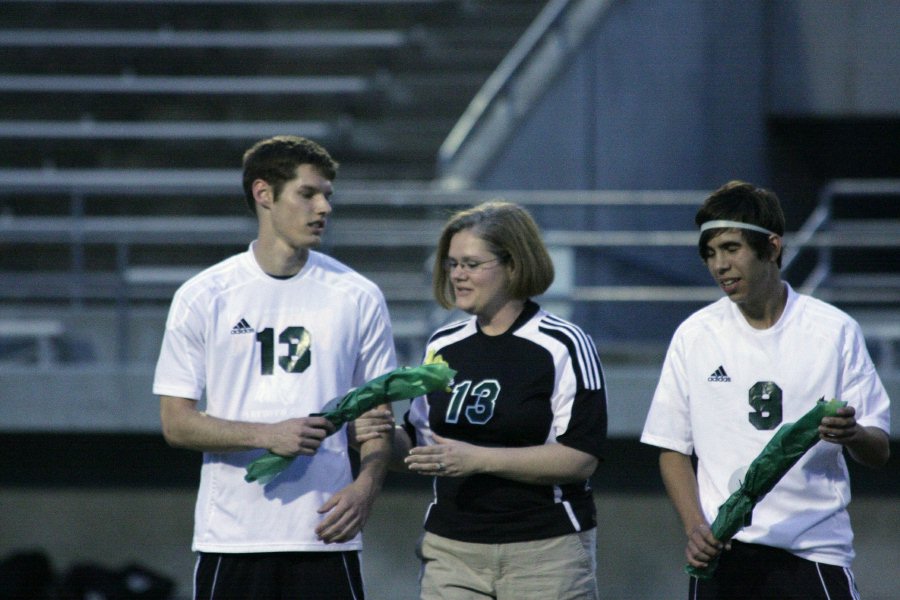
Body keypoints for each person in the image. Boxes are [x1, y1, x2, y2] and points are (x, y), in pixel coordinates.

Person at [153, 135, 397, 599]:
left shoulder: (358, 295)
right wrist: (267, 435)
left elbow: (376, 420)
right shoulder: (204, 295)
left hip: (326, 535)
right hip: (232, 537)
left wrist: (366, 487)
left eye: (328, 195)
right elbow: (176, 424)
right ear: (264, 194)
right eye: (308, 194)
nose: (323, 207)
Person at [641, 180, 891, 599]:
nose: (719, 265)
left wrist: (853, 435)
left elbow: (878, 448)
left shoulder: (834, 331)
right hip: (724, 554)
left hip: (813, 553)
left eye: (731, 248)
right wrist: (696, 528)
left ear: (772, 247)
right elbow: (672, 448)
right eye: (709, 253)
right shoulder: (694, 335)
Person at [355, 201, 608, 599]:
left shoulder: (564, 343)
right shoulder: (444, 343)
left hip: (544, 553)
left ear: (514, 265)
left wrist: (478, 459)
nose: (458, 275)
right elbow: (423, 444)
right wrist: (379, 436)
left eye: (471, 264)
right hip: (451, 551)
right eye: (452, 264)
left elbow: (581, 457)